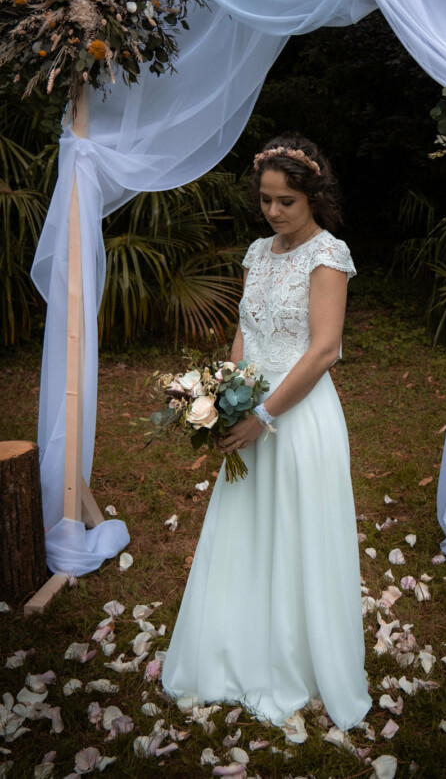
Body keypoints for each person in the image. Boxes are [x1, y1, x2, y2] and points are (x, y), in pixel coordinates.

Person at [162, 135, 371, 731]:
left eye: (286, 201)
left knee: (297, 533)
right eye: (266, 200)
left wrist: (264, 418)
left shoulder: (328, 256)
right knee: (248, 532)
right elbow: (245, 332)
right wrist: (225, 396)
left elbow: (324, 350)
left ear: (312, 197)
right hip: (249, 409)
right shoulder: (257, 252)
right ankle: (238, 644)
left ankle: (298, 657)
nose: (274, 212)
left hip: (297, 420)